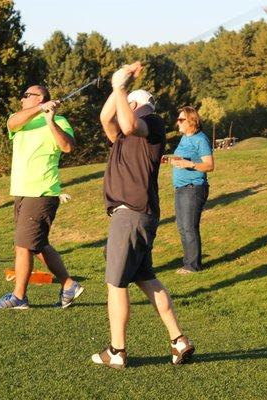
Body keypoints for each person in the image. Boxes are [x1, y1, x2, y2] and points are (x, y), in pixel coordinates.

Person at [92, 62, 195, 369]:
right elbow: (106, 118)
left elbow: (127, 123)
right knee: (146, 279)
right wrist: (117, 86)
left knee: (116, 283)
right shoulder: (124, 137)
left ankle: (117, 351)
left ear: (135, 105)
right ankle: (179, 341)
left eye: (127, 102)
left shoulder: (151, 123)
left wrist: (120, 88)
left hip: (131, 213)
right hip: (136, 214)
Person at [0, 85, 84, 310]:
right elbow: (11, 123)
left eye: (26, 96)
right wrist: (40, 108)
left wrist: (50, 120)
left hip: (41, 192)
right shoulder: (20, 119)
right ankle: (69, 284)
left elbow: (68, 147)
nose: (21, 99)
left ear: (40, 97)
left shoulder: (60, 121)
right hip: (22, 192)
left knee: (23, 245)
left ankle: (19, 297)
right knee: (37, 244)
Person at [169, 106, 214, 274]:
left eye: (181, 120)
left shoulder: (200, 139)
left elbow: (209, 165)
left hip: (193, 188)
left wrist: (190, 164)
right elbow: (183, 158)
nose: (178, 122)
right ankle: (187, 262)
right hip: (180, 188)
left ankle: (193, 266)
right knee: (182, 227)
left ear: (191, 121)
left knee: (189, 227)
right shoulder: (184, 138)